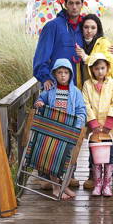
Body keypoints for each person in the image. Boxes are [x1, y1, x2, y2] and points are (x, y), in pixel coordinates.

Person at [33, 0, 113, 188]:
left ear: (81, 4)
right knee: (49, 134)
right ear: (64, 4)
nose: (74, 7)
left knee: (72, 135)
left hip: (75, 90)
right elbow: (40, 56)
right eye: (70, 3)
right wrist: (45, 77)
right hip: (53, 88)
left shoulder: (81, 28)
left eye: (77, 3)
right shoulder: (53, 26)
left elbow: (95, 48)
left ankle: (67, 174)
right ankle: (45, 175)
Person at [75, 14, 113, 189]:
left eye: (93, 27)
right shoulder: (77, 40)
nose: (89, 30)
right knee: (93, 142)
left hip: (106, 109)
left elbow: (107, 59)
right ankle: (92, 175)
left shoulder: (103, 42)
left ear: (98, 29)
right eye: (86, 27)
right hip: (89, 100)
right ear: (82, 28)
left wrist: (86, 57)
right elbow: (86, 103)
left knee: (111, 145)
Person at [35, 58, 86, 199]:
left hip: (69, 130)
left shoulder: (75, 92)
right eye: (59, 72)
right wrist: (39, 102)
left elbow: (81, 110)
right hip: (52, 130)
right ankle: (56, 188)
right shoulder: (50, 90)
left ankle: (65, 186)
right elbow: (41, 99)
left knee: (69, 160)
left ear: (70, 75)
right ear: (54, 74)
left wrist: (78, 124)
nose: (63, 75)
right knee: (53, 159)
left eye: (66, 72)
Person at [82, 52, 113, 196]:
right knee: (94, 153)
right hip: (95, 128)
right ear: (91, 69)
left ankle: (111, 179)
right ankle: (95, 179)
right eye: (97, 68)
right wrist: (93, 122)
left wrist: (108, 123)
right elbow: (86, 104)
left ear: (107, 68)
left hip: (108, 127)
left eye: (103, 68)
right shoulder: (87, 85)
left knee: (112, 153)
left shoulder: (112, 83)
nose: (100, 71)